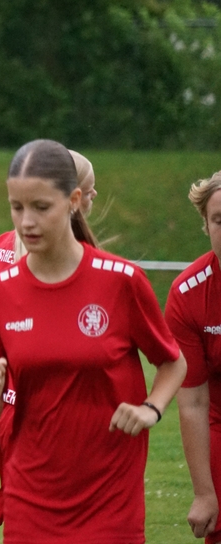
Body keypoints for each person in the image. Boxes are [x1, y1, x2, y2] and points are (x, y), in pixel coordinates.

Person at [0, 138, 186, 543]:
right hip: (29, 497)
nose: (26, 222)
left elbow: (173, 361)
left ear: (73, 201)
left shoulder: (121, 281)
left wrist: (151, 409)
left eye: (41, 207)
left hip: (110, 498)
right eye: (17, 207)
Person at [0, 149, 97, 524]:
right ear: (74, 199)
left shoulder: (4, 245)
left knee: (28, 519)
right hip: (58, 415)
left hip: (7, 410)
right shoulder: (88, 266)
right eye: (91, 192)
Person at [165, 170, 221, 543]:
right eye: (219, 220)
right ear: (206, 225)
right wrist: (204, 492)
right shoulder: (188, 294)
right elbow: (193, 401)